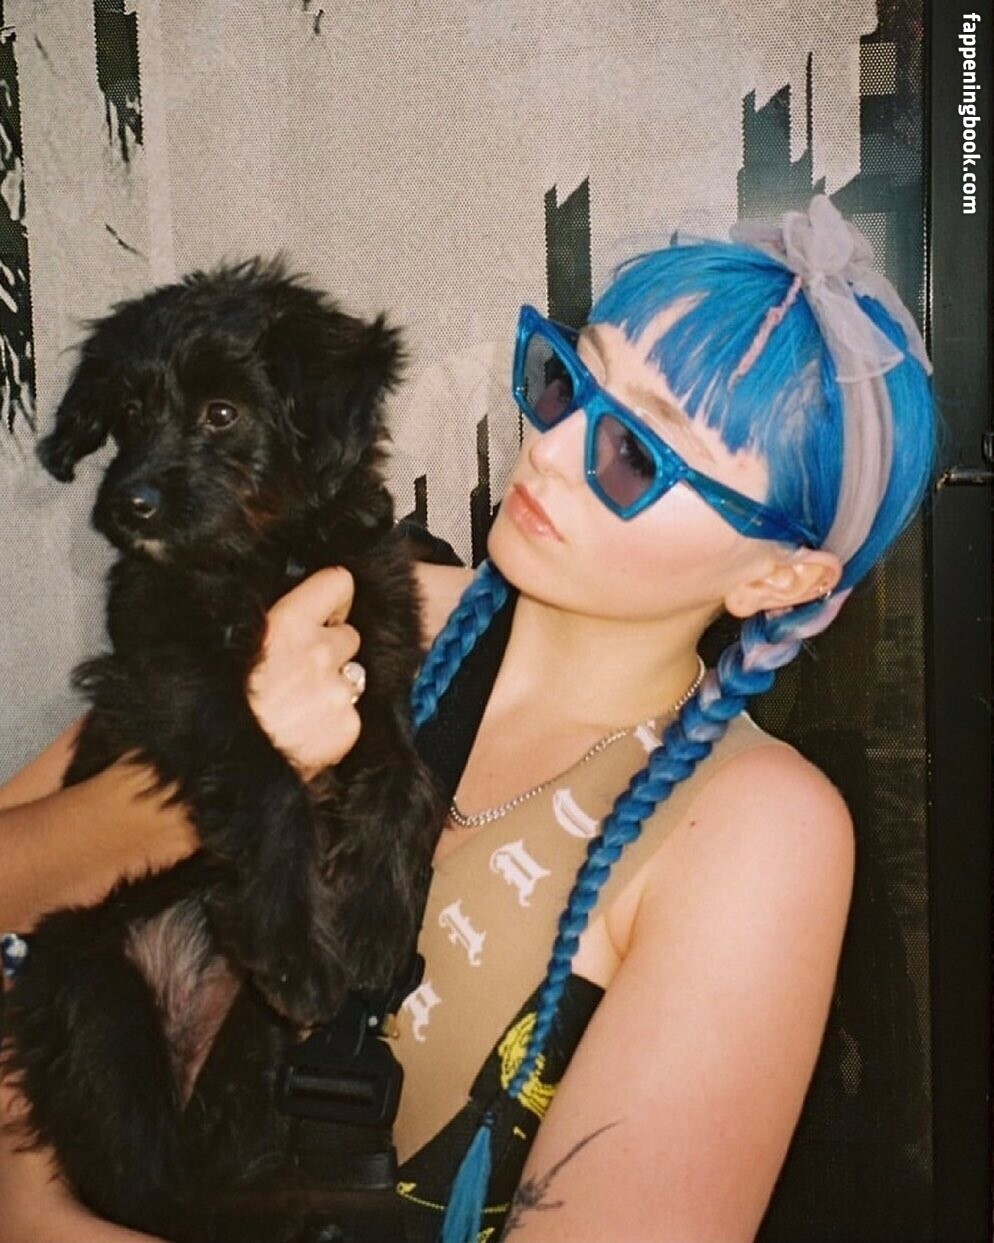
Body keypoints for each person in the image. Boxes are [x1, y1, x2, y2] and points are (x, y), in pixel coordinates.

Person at [0, 195, 935, 1243]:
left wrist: (31, 1212)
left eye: (634, 452)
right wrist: (204, 785)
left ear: (778, 577)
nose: (553, 448)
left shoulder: (757, 828)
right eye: (564, 380)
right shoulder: (340, 605)